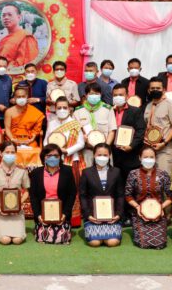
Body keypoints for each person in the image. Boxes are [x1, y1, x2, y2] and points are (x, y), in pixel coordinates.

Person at [43, 97, 85, 227]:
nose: (62, 110)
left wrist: (66, 151)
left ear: (70, 109)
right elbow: (46, 141)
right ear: (55, 109)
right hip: (53, 161)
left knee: (71, 190)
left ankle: (73, 219)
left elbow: (81, 143)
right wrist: (52, 151)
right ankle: (53, 216)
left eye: (64, 108)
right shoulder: (52, 123)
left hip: (71, 160)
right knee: (55, 188)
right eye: (59, 108)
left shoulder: (75, 123)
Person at [109, 84, 146, 221]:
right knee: (118, 185)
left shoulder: (135, 111)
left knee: (131, 185)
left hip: (130, 154)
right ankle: (121, 213)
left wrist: (131, 146)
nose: (118, 97)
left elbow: (141, 131)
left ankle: (133, 212)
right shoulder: (109, 111)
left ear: (127, 96)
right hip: (113, 154)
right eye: (115, 95)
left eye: (121, 95)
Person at [124, 147, 172, 249]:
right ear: (140, 158)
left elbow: (170, 196)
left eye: (151, 157)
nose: (148, 159)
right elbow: (128, 195)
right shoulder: (133, 174)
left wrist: (161, 207)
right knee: (143, 244)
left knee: (160, 244)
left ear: (155, 158)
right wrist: (137, 207)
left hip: (158, 214)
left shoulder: (163, 174)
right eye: (145, 157)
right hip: (139, 213)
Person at [29, 144, 77, 244]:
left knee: (61, 239)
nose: (53, 158)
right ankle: (39, 227)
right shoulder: (36, 173)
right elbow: (33, 196)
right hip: (43, 215)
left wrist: (65, 214)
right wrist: (38, 215)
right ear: (43, 157)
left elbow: (72, 194)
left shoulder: (67, 171)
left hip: (62, 214)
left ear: (60, 157)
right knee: (44, 237)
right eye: (49, 155)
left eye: (56, 155)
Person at [79, 144, 123, 247]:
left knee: (112, 242)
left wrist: (118, 214)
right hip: (93, 216)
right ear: (94, 155)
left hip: (112, 216)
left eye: (105, 155)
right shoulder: (86, 172)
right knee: (95, 243)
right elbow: (83, 195)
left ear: (109, 156)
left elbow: (120, 195)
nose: (102, 157)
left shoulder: (116, 172)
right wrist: (88, 215)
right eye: (99, 155)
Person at [0, 142, 30, 245]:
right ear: (0, 153)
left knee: (17, 240)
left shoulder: (22, 171)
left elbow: (26, 192)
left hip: (17, 213)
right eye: (7, 152)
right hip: (0, 213)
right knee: (5, 240)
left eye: (12, 152)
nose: (10, 154)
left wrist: (19, 203)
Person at [73, 82, 116, 167]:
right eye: (91, 94)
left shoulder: (108, 109)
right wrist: (82, 138)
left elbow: (112, 130)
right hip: (86, 151)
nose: (94, 96)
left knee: (106, 173)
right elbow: (74, 132)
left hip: (104, 151)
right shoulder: (78, 111)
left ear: (100, 94)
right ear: (86, 95)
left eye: (97, 94)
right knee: (87, 173)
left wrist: (105, 147)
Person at [144, 77, 172, 175]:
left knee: (163, 178)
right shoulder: (148, 106)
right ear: (149, 90)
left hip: (165, 148)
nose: (155, 90)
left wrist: (164, 143)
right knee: (150, 179)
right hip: (149, 150)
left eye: (158, 88)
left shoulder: (170, 104)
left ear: (163, 90)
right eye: (152, 88)